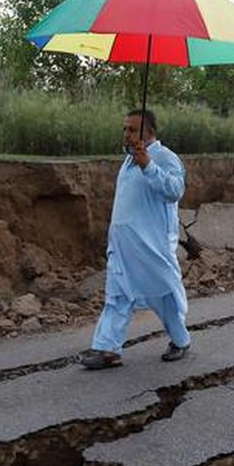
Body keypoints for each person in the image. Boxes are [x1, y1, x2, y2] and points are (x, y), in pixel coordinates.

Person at [79, 108, 191, 370]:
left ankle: (180, 340)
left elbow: (175, 190)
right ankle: (108, 350)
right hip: (122, 246)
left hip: (151, 247)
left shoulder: (164, 157)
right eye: (125, 129)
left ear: (149, 132)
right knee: (117, 295)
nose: (126, 134)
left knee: (163, 295)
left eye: (132, 129)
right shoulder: (128, 160)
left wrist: (149, 166)